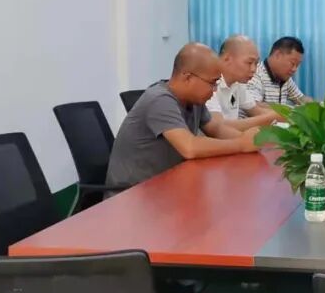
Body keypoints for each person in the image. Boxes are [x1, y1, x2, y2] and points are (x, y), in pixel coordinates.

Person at [105, 43, 260, 190]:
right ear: (188, 77)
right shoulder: (160, 99)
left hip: (166, 185)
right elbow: (189, 147)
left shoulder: (194, 100)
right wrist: (241, 144)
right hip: (133, 194)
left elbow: (216, 129)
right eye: (212, 83)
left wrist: (252, 140)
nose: (214, 90)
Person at [206, 34, 278, 131]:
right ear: (227, 59)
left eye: (256, 63)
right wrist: (269, 119)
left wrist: (285, 115)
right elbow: (218, 126)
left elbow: (256, 110)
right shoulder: (209, 82)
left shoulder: (238, 83)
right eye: (249, 63)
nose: (253, 69)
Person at [247, 36, 315, 107]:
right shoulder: (255, 75)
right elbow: (254, 106)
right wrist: (288, 109)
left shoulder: (284, 77)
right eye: (292, 63)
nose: (294, 69)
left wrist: (318, 106)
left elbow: (301, 99)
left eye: (297, 65)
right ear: (278, 55)